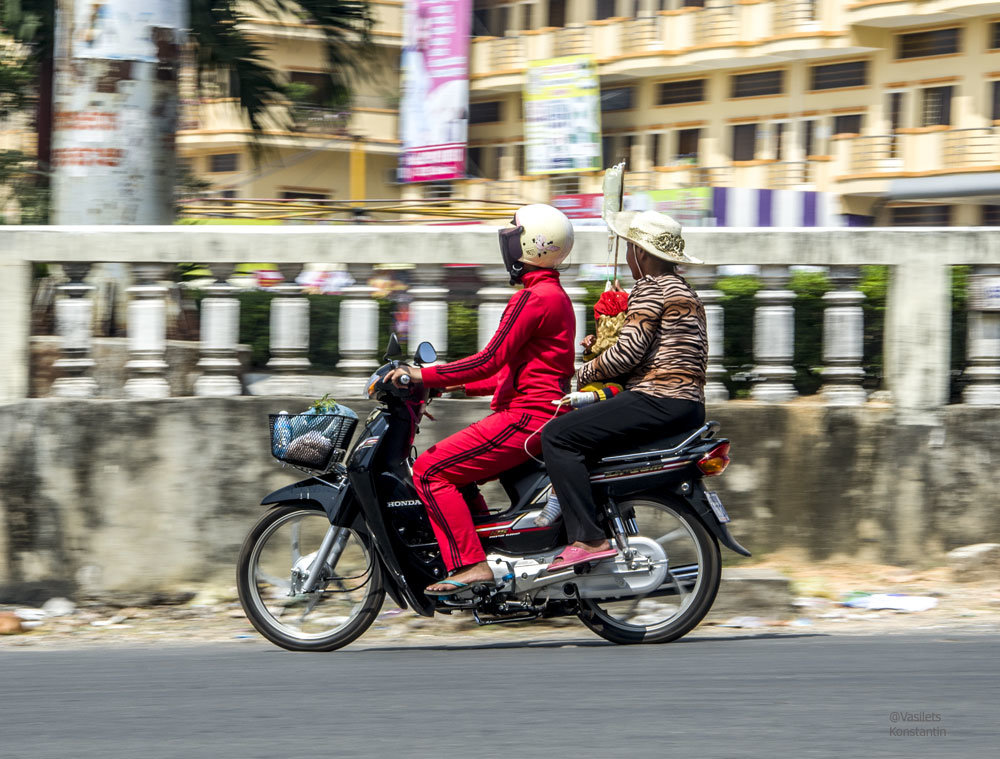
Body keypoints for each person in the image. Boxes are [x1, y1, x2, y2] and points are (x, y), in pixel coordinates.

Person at [388, 204, 577, 595]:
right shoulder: (551, 294)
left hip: (526, 418)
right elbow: (511, 372)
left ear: (529, 245)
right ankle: (489, 554)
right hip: (537, 412)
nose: (507, 246)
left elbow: (489, 360)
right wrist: (448, 385)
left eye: (512, 237)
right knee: (459, 473)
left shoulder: (533, 298)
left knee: (429, 470)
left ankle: (472, 564)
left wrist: (422, 374)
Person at [541, 210, 708, 572]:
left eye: (631, 249)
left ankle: (587, 537)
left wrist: (583, 371)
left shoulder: (650, 287)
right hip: (689, 405)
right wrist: (599, 344)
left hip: (657, 398)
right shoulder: (685, 290)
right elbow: (648, 347)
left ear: (641, 253)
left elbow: (628, 355)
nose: (629, 257)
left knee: (557, 436)